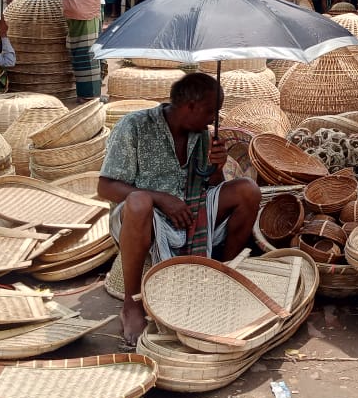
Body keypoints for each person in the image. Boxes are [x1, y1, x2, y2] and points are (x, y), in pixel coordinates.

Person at [98, 73, 261, 344]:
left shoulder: (203, 135)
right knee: (140, 201)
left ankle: (224, 272)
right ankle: (131, 303)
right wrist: (161, 198)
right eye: (211, 111)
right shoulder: (134, 126)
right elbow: (105, 187)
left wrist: (217, 168)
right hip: (142, 219)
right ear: (190, 107)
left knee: (247, 190)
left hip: (191, 213)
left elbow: (210, 186)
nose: (214, 119)